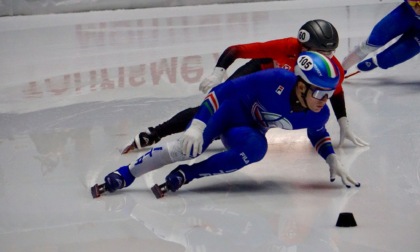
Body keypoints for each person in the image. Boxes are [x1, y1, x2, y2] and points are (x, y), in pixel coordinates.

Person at [98, 51, 360, 198]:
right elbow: (223, 91)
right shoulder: (275, 79)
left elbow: (319, 133)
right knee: (188, 148)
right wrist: (198, 125)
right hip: (226, 111)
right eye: (319, 94)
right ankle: (126, 173)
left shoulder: (318, 113)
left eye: (328, 95)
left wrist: (331, 159)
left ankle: (186, 175)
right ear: (301, 85)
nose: (324, 101)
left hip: (245, 130)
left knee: (257, 149)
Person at [121, 19, 368, 154]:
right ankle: (155, 133)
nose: (326, 57)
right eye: (320, 51)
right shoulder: (286, 46)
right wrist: (219, 72)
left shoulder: (329, 65)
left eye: (330, 52)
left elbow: (335, 90)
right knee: (212, 109)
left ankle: (224, 130)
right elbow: (237, 50)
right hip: (256, 77)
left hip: (275, 95)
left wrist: (343, 122)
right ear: (303, 46)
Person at [342, 0, 420, 73]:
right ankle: (341, 68)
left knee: (385, 59)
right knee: (373, 42)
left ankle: (374, 62)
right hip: (407, 13)